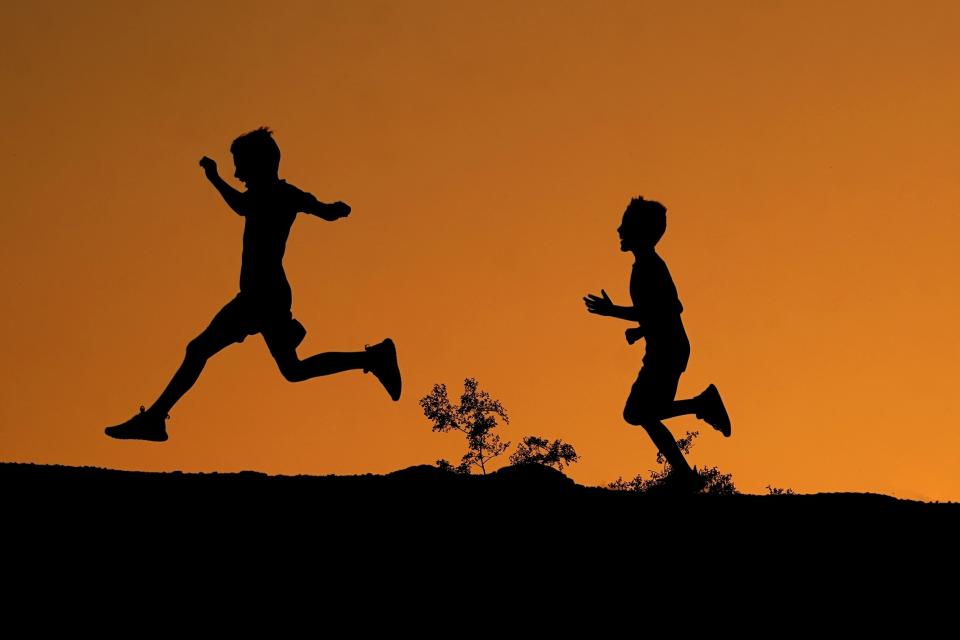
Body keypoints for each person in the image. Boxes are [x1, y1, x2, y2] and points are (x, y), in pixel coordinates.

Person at [106, 127, 400, 442]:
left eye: (240, 165)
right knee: (292, 370)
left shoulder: (274, 195)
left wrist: (214, 178)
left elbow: (247, 206)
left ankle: (154, 419)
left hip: (261, 296)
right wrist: (332, 210)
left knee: (199, 349)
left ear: (258, 164)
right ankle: (371, 358)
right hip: (266, 294)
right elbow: (317, 208)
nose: (237, 173)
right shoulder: (283, 195)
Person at [584, 196, 729, 491]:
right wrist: (641, 330)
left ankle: (688, 466)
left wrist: (615, 312)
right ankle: (701, 411)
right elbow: (660, 311)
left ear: (640, 231)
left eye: (625, 225)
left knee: (638, 413)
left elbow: (670, 308)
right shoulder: (646, 266)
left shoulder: (649, 267)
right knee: (641, 412)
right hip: (665, 348)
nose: (618, 230)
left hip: (668, 350)